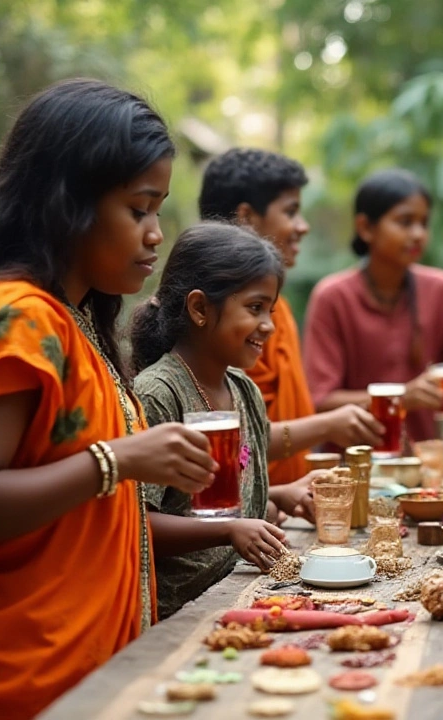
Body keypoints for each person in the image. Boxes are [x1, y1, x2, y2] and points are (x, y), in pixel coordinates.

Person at [0, 79, 217, 719]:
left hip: (82, 665)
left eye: (158, 211)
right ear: (70, 204)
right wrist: (121, 460)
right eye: (138, 210)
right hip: (23, 681)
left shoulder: (75, 320)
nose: (155, 235)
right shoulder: (21, 320)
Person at [130, 224, 315, 618]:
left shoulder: (243, 389)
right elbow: (137, 523)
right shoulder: (158, 393)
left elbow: (231, 498)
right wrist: (229, 531)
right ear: (200, 309)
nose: (268, 324)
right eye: (254, 308)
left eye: (271, 310)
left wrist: (278, 494)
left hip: (239, 592)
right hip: (177, 611)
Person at [198, 149, 382, 488]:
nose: (303, 226)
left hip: (286, 502)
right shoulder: (216, 316)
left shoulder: (275, 309)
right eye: (291, 212)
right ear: (247, 219)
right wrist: (327, 425)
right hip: (236, 517)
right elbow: (227, 441)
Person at [304, 169, 443, 443]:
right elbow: (321, 399)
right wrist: (401, 397)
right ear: (365, 228)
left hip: (431, 461)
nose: (418, 234)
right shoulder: (333, 297)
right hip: (356, 467)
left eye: (424, 223)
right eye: (405, 222)